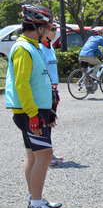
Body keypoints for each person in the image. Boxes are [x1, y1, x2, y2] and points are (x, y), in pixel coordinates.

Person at [5, 4, 62, 208]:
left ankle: (35, 198)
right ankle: (36, 205)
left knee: (33, 155)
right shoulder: (23, 48)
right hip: (30, 112)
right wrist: (33, 114)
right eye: (48, 27)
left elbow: (37, 81)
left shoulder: (32, 45)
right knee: (45, 155)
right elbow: (22, 84)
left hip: (36, 110)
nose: (50, 31)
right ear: (38, 26)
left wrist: (49, 109)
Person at [38, 21, 64, 166]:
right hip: (45, 90)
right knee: (44, 123)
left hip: (53, 89)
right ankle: (44, 155)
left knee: (49, 123)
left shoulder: (50, 47)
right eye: (52, 29)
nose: (54, 33)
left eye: (55, 30)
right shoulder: (40, 47)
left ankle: (49, 153)